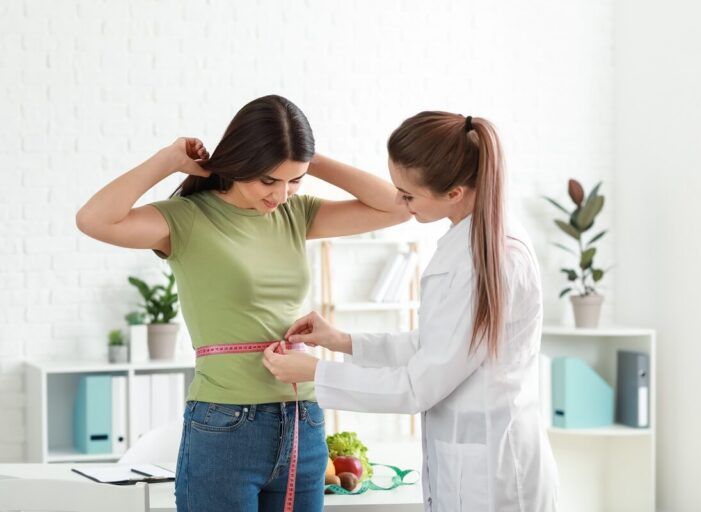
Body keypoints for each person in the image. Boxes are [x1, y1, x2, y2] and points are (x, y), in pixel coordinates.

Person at [75, 94, 411, 511]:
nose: (281, 195)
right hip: (225, 424)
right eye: (268, 180)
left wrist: (307, 159)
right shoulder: (185, 218)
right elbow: (93, 220)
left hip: (303, 419)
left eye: (295, 181)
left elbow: (398, 208)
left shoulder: (296, 214)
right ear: (239, 163)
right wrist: (167, 160)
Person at [262, 111, 559, 511]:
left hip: (494, 477)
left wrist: (316, 374)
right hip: (469, 463)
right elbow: (437, 346)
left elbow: (418, 386)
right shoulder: (468, 239)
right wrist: (341, 341)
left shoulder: (492, 256)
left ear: (454, 192)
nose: (400, 203)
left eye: (408, 195)